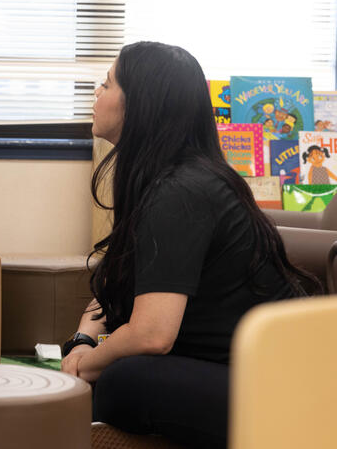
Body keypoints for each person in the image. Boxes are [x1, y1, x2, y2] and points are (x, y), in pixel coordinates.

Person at [59, 41, 317, 448]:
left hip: (273, 384)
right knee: (111, 372)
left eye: (107, 84)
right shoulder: (164, 181)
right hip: (222, 369)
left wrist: (85, 367)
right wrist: (83, 342)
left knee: (123, 381)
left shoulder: (181, 191)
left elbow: (153, 334)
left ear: (139, 104)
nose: (97, 93)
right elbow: (114, 284)